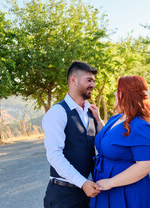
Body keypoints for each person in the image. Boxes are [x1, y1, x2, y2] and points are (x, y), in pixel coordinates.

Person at [88, 76, 150, 208]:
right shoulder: (116, 118)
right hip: (107, 186)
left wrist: (110, 182)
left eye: (118, 90)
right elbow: (109, 138)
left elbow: (147, 165)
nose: (114, 94)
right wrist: (99, 120)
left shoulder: (141, 125)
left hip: (129, 190)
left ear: (127, 95)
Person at [42, 61, 103, 208]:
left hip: (89, 194)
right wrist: (82, 183)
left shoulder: (91, 113)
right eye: (89, 80)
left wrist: (99, 120)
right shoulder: (57, 112)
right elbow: (54, 155)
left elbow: (105, 143)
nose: (93, 85)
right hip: (64, 196)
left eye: (93, 81)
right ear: (73, 80)